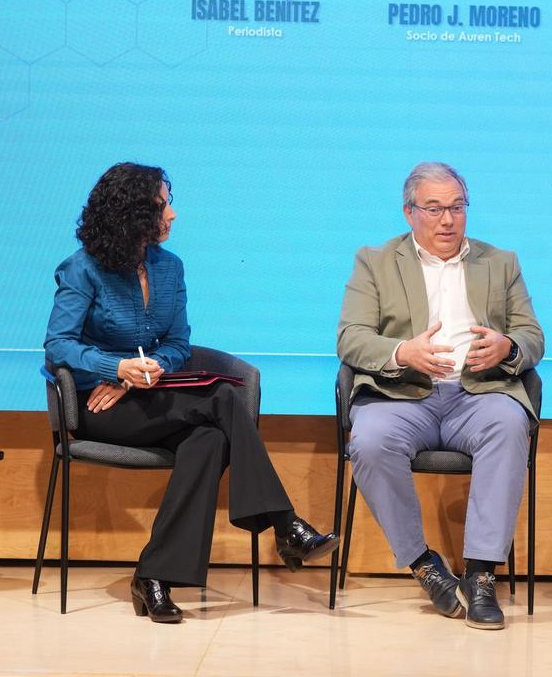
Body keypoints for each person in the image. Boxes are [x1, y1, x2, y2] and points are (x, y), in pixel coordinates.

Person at [44, 162, 337, 624]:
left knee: (212, 440)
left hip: (149, 398)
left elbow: (179, 344)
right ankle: (285, 525)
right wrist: (115, 367)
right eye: (164, 204)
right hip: (98, 406)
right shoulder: (83, 269)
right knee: (223, 398)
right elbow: (58, 344)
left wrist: (151, 369)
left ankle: (154, 578)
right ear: (135, 213)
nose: (173, 215)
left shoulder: (170, 268)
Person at [336, 162, 544, 630]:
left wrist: (508, 347)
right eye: (434, 209)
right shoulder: (375, 261)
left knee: (509, 423)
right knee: (368, 441)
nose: (447, 220)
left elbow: (533, 334)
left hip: (477, 394)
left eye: (456, 208)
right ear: (409, 213)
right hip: (402, 395)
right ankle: (423, 563)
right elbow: (350, 337)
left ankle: (482, 574)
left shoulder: (500, 261)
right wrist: (401, 351)